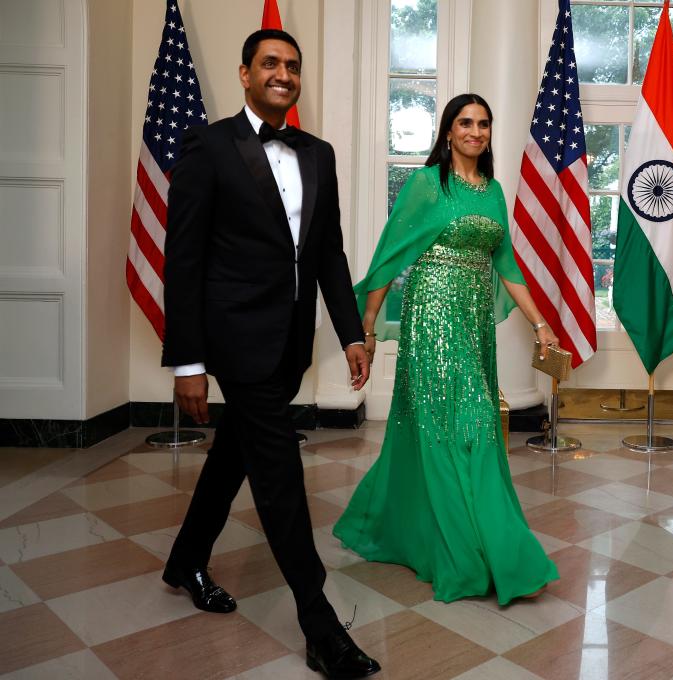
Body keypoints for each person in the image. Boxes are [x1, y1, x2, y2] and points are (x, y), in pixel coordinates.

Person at [161, 29, 380, 679]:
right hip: (232, 337)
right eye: (270, 64)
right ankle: (319, 627)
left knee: (237, 451)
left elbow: (327, 256)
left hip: (290, 341)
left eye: (291, 65)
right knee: (280, 475)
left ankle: (185, 561)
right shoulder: (208, 147)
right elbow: (183, 260)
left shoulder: (318, 154)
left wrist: (350, 333)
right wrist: (188, 362)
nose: (282, 73)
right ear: (246, 74)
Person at [333, 94, 560, 604]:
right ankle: (462, 555)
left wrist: (540, 323)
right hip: (432, 317)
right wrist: (366, 328)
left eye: (483, 123)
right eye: (465, 123)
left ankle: (485, 543)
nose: (475, 132)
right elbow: (389, 255)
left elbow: (507, 267)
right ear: (448, 131)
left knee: (475, 422)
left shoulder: (495, 191)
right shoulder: (426, 184)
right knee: (447, 425)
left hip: (474, 322)